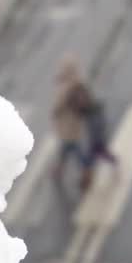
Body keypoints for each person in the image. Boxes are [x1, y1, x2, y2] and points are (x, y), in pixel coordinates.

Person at [51, 58, 94, 190]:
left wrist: (55, 113)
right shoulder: (79, 83)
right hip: (76, 123)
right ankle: (59, 168)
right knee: (67, 147)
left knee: (72, 148)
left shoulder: (65, 87)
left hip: (67, 124)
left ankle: (85, 171)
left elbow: (58, 107)